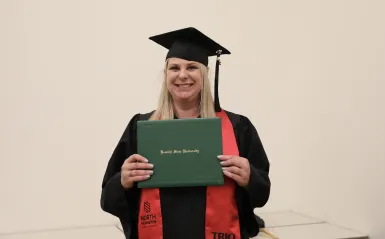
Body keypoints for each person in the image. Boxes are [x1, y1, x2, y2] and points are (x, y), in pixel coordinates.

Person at [100, 27, 271, 239]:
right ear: (165, 75)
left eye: (191, 67)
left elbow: (262, 192)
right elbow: (108, 197)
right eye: (174, 68)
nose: (182, 75)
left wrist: (250, 178)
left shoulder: (238, 128)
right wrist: (123, 181)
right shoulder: (141, 127)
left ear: (204, 74)